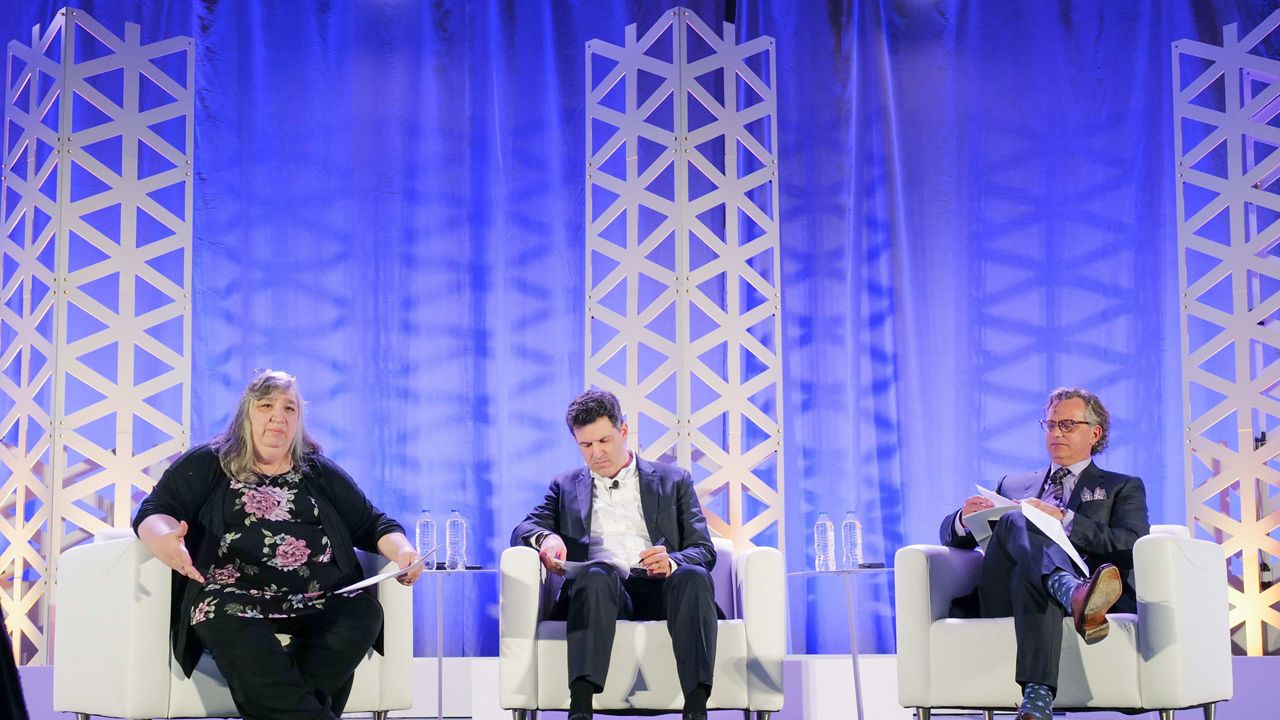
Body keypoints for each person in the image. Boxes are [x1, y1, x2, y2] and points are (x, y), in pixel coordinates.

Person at [133, 369, 422, 720]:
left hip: (320, 596)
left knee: (362, 612)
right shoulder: (210, 461)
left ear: (298, 420)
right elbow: (155, 510)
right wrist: (164, 538)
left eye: (289, 408)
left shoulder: (317, 470)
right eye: (266, 405)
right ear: (246, 414)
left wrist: (404, 552)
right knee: (224, 618)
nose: (278, 416)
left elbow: (373, 523)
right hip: (233, 598)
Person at [939, 387, 1149, 720]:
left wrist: (1066, 520)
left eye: (1067, 424)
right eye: (1049, 424)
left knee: (1029, 575)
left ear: (1095, 433)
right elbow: (952, 538)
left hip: (1066, 592)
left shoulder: (1121, 487)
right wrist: (963, 519)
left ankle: (1037, 699)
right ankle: (1070, 591)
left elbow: (1132, 543)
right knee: (1014, 517)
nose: (1055, 433)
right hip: (1001, 595)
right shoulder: (1013, 484)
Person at [511, 389, 718, 720]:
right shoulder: (564, 485)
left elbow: (704, 550)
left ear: (623, 431)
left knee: (693, 575)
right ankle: (580, 710)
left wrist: (673, 561)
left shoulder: (674, 480)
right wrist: (546, 538)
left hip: (662, 588)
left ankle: (696, 710)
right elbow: (523, 529)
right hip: (602, 592)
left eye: (604, 441)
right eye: (586, 445)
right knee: (596, 573)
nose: (597, 453)